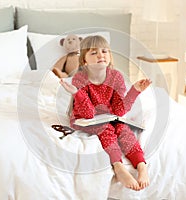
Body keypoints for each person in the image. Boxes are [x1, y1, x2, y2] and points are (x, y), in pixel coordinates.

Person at [60, 35, 151, 191]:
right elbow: (88, 114)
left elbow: (119, 110)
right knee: (106, 129)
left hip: (108, 116)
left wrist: (134, 91)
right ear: (84, 61)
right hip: (85, 119)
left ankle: (141, 166)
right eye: (94, 53)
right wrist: (77, 94)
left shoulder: (116, 77)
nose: (101, 55)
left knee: (123, 130)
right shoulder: (80, 78)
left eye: (104, 51)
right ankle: (118, 166)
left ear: (110, 56)